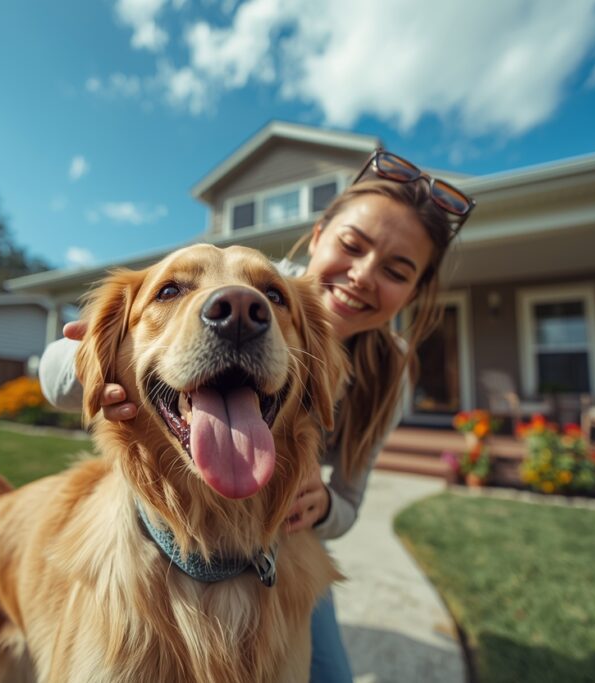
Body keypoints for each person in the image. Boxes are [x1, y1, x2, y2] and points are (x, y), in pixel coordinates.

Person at [38, 148, 474, 682]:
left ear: (414, 290)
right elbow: (60, 364)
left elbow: (352, 502)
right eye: (351, 246)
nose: (362, 275)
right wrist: (98, 368)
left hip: (283, 536)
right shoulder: (266, 282)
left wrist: (325, 504)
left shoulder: (389, 372)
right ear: (318, 237)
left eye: (396, 270)